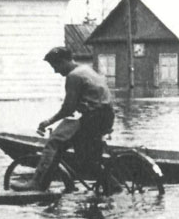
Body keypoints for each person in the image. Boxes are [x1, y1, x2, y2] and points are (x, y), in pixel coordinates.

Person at [17, 46, 115, 191]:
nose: (55, 71)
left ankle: (38, 183)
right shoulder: (86, 70)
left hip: (93, 118)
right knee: (88, 160)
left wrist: (49, 121)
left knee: (54, 142)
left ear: (63, 61)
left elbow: (68, 108)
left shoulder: (74, 76)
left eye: (55, 66)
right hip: (105, 116)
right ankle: (114, 187)